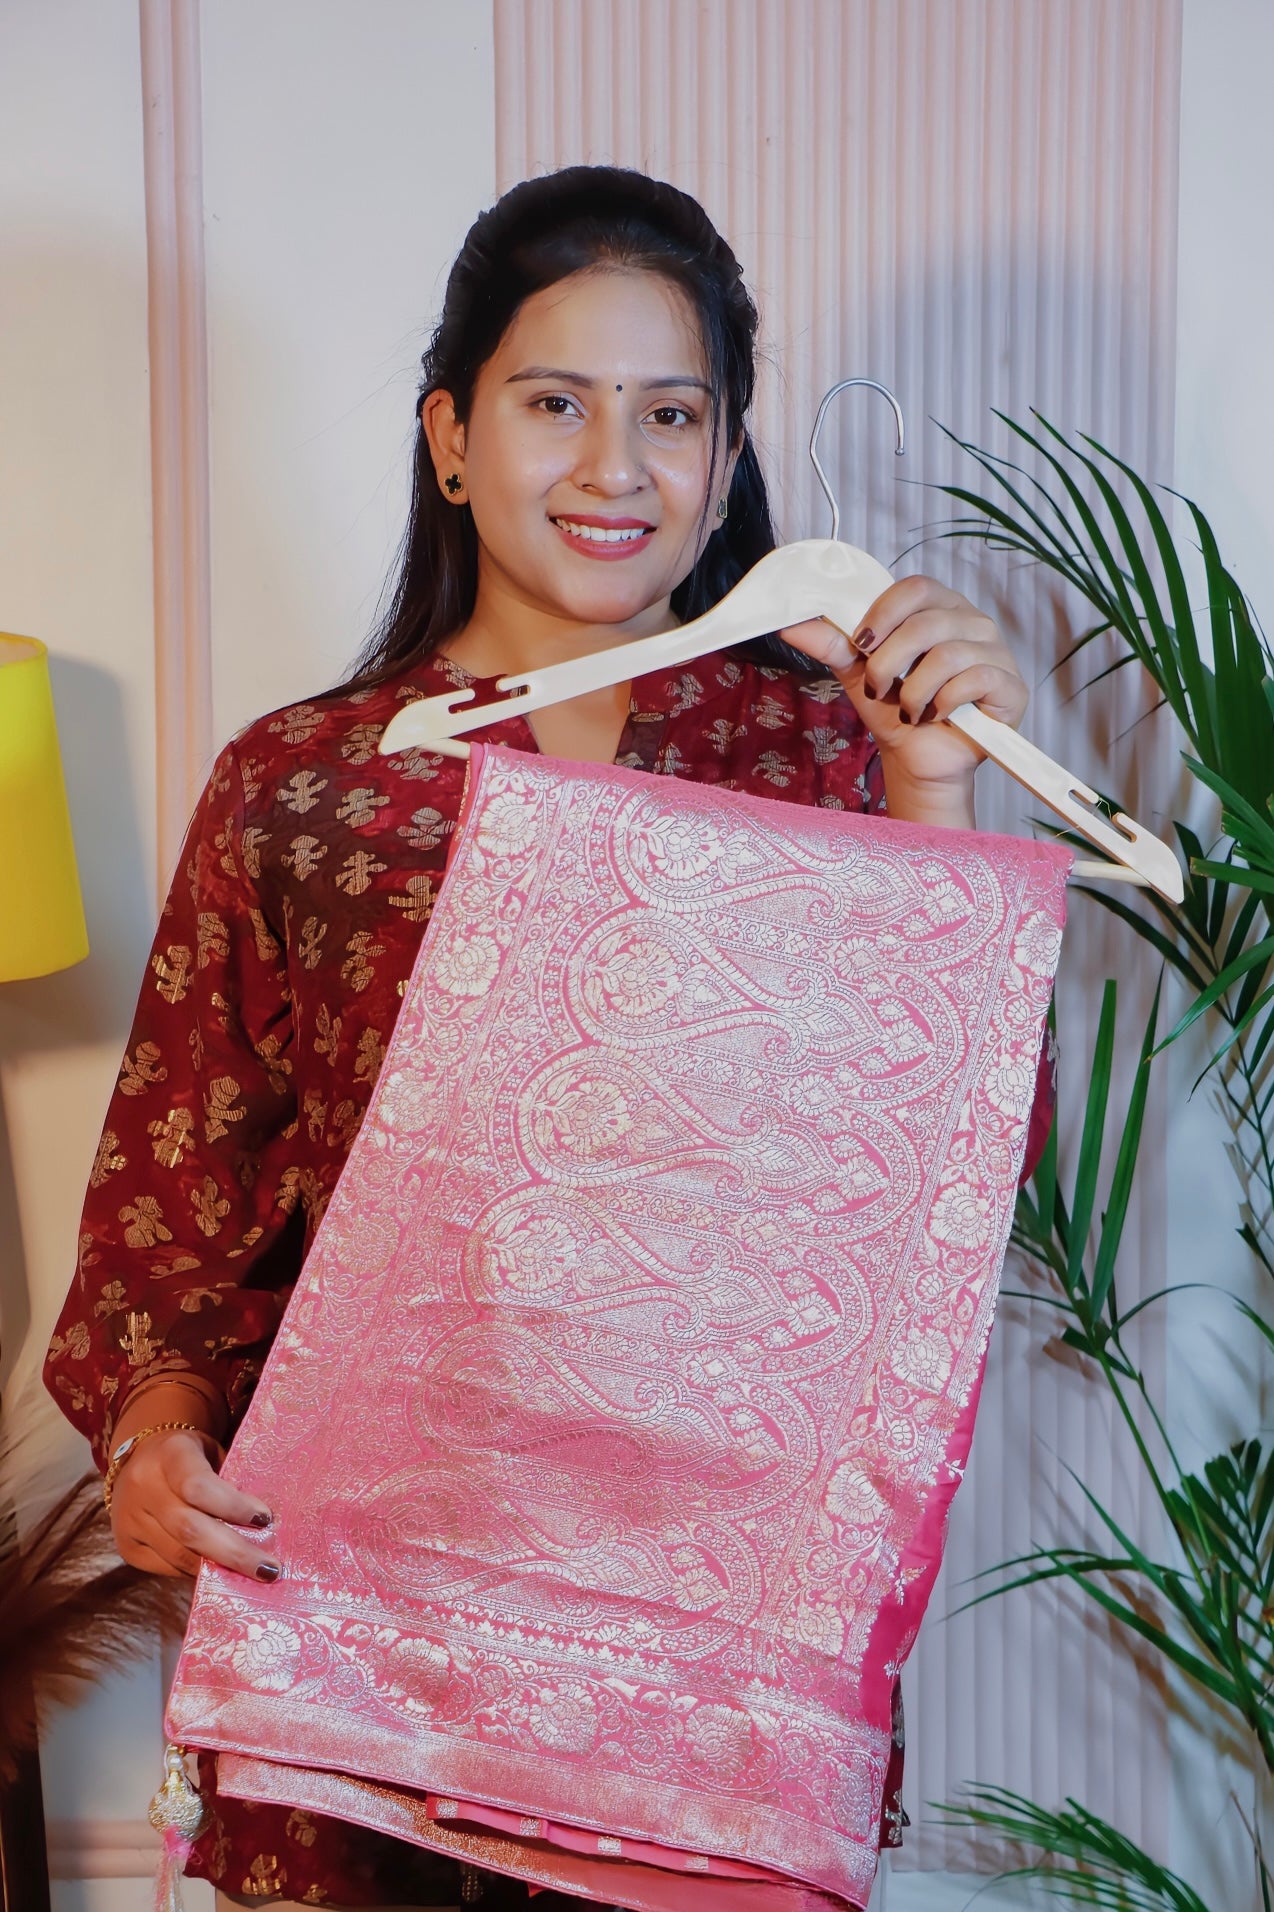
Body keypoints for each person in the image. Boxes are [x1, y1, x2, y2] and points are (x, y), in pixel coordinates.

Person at [44, 166, 1051, 1910]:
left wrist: (928, 786)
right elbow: (180, 1178)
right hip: (354, 1619)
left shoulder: (828, 759)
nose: (614, 466)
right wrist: (153, 1435)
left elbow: (952, 1197)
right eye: (554, 403)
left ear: (726, 461)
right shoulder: (312, 782)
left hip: (700, 1666)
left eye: (670, 413)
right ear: (450, 436)